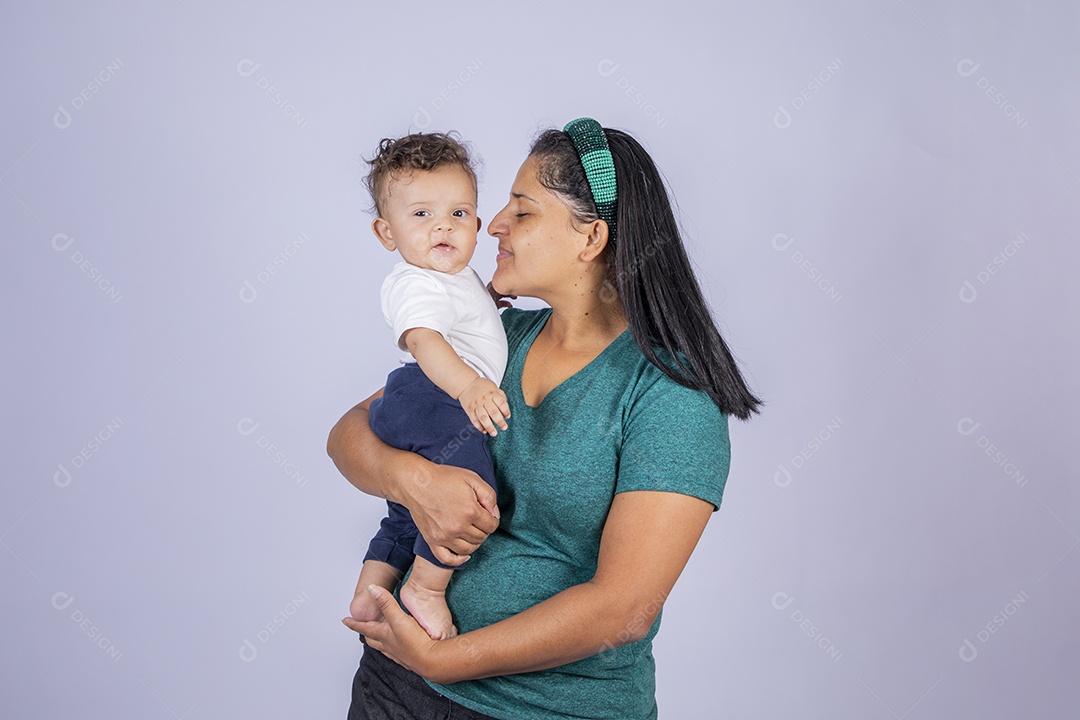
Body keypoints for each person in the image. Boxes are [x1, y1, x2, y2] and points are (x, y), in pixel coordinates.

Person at [328, 118, 762, 720]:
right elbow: (348, 434)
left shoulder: (668, 396)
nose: (492, 224)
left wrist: (445, 661)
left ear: (591, 239)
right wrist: (414, 481)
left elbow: (624, 609)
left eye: (522, 212)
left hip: (546, 708)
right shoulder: (494, 344)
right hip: (396, 688)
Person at [348, 132, 511, 642]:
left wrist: (487, 305)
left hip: (418, 400)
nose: (443, 224)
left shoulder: (452, 279)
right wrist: (469, 387)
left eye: (459, 214)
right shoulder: (414, 282)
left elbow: (456, 315)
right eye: (421, 215)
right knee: (470, 489)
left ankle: (369, 595)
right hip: (431, 397)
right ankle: (426, 588)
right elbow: (424, 339)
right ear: (386, 232)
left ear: (478, 225)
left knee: (404, 513)